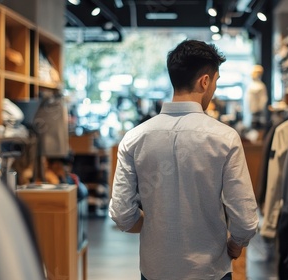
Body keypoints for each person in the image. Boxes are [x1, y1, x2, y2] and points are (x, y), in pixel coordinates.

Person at [109, 39, 259, 280]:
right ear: (205, 81)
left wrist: (151, 227)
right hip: (210, 271)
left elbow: (121, 213)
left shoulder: (134, 138)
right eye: (215, 82)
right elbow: (245, 219)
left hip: (154, 270)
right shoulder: (225, 138)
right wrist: (237, 243)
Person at [247, 65, 268, 129]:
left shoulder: (260, 86)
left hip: (259, 112)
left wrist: (260, 108)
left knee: (259, 129)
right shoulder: (251, 85)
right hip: (253, 111)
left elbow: (263, 100)